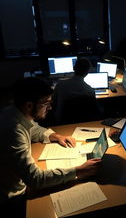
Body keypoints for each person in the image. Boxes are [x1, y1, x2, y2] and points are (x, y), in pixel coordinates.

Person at [0, 77, 102, 217]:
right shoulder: (14, 130)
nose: (50, 107)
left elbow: (34, 129)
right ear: (29, 105)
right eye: (46, 103)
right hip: (13, 199)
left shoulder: (13, 112)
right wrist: (78, 171)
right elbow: (35, 179)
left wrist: (55, 136)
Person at [52, 57, 102, 125]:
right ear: (87, 72)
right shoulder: (90, 91)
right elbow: (96, 110)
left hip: (62, 122)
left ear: (73, 68)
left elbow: (53, 102)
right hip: (83, 122)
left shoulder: (60, 85)